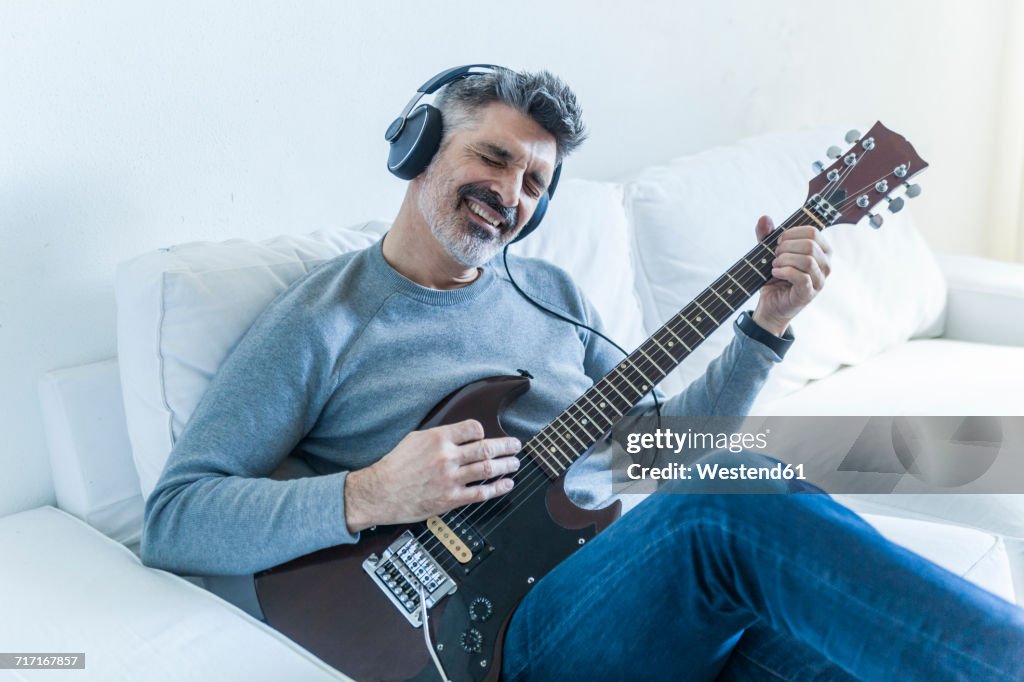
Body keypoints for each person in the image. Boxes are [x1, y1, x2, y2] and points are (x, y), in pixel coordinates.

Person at [141, 66, 1024, 680]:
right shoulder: (320, 321)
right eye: (492, 157)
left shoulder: (553, 292)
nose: (511, 192)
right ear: (417, 151)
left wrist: (767, 327)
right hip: (494, 636)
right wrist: (368, 492)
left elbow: (663, 451)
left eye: (535, 181)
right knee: (727, 495)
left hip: (624, 597)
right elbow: (177, 516)